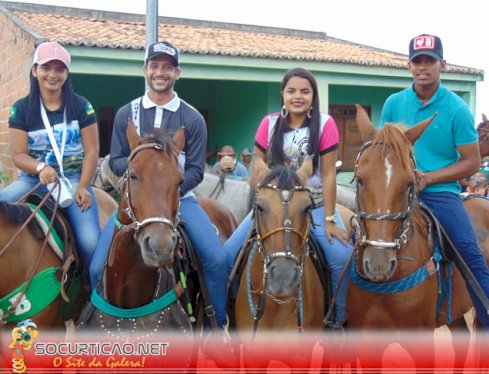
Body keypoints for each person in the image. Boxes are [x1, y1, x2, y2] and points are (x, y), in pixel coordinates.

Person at [89, 40, 228, 329]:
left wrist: (169, 188)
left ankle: (217, 327)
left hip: (181, 199)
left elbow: (195, 171)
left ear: (177, 73)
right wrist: (140, 178)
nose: (160, 72)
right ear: (145, 70)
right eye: (155, 66)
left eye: (167, 67)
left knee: (215, 259)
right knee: (94, 266)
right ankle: (95, 322)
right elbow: (115, 159)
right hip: (134, 201)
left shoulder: (192, 118)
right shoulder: (127, 114)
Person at [379, 34, 489, 329]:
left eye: (429, 61)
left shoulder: (456, 107)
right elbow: (383, 149)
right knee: (360, 241)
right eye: (417, 61)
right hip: (396, 192)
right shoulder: (394, 103)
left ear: (441, 64)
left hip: (440, 194)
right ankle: (342, 318)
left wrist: (429, 177)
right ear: (409, 65)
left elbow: (471, 161)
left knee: (469, 251)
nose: (423, 67)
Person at [224, 67, 353, 328]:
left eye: (305, 92)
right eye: (291, 91)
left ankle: (336, 323)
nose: (298, 97)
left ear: (313, 96)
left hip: (311, 205)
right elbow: (256, 171)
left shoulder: (326, 124)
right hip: (273, 205)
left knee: (341, 257)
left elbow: (328, 175)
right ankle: (230, 319)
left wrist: (329, 219)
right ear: (282, 94)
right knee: (226, 256)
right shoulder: (268, 124)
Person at [0, 41, 100, 273]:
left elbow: (92, 151)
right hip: (32, 180)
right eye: (46, 68)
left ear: (66, 73)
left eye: (59, 69)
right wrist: (41, 167)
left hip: (73, 180)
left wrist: (84, 186)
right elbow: (17, 154)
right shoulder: (22, 108)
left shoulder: (82, 106)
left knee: (90, 242)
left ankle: (96, 301)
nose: (52, 74)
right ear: (35, 71)